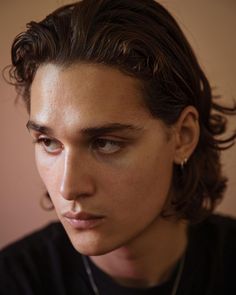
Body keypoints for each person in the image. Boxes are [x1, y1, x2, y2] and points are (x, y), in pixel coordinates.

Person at [1, 0, 236, 294]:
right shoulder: (13, 281)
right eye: (49, 142)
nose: (68, 188)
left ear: (183, 136)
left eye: (105, 143)